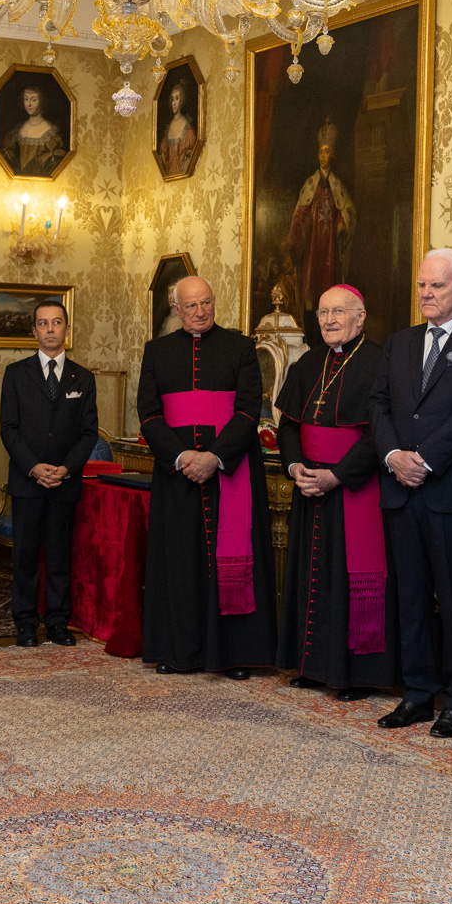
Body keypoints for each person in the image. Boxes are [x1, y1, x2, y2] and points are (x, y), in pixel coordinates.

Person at [368, 250, 452, 734]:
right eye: (422, 286)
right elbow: (379, 406)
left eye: (437, 286)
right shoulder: (400, 342)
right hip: (400, 488)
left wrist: (422, 460)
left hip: (450, 489)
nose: (426, 294)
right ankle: (417, 694)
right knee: (409, 597)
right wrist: (393, 458)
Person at [136, 276, 277, 678]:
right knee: (181, 561)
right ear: (176, 310)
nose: (200, 312)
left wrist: (214, 457)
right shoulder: (157, 351)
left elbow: (250, 410)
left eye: (207, 303)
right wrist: (183, 457)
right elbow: (148, 414)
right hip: (176, 473)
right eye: (191, 306)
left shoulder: (240, 347)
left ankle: (234, 655)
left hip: (230, 470)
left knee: (231, 561)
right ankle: (177, 651)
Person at [275, 285, 396, 700]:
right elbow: (288, 424)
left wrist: (337, 476)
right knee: (311, 575)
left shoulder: (381, 362)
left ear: (360, 317)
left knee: (351, 580)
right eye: (323, 312)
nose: (328, 320)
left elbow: (378, 433)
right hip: (309, 485)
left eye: (338, 312)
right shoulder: (309, 362)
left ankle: (356, 675)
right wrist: (295, 468)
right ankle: (312, 666)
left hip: (354, 487)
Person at [0, 299, 99, 646]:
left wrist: (66, 468)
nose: (50, 329)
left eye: (57, 323)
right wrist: (33, 467)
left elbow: (89, 433)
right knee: (25, 555)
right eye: (43, 323)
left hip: (64, 482)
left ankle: (57, 622)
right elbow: (8, 429)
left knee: (59, 556)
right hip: (28, 482)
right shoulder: (15, 374)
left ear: (67, 329)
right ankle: (25, 622)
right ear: (34, 331)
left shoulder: (83, 378)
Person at [287, 120, 355, 314]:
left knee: (329, 277)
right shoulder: (311, 183)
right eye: (320, 152)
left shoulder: (337, 185)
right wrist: (293, 237)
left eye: (326, 152)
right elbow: (301, 211)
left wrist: (342, 224)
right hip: (313, 242)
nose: (323, 156)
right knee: (312, 278)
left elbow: (345, 211)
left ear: (331, 155)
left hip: (331, 244)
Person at [2, 86, 67, 177]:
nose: (29, 104)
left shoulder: (50, 132)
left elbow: (53, 166)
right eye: (26, 99)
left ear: (42, 101)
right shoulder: (17, 130)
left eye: (33, 100)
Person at [158, 81, 198, 178]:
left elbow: (190, 156)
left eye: (177, 98)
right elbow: (164, 157)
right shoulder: (169, 127)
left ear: (182, 100)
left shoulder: (187, 128)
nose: (174, 103)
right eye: (172, 99)